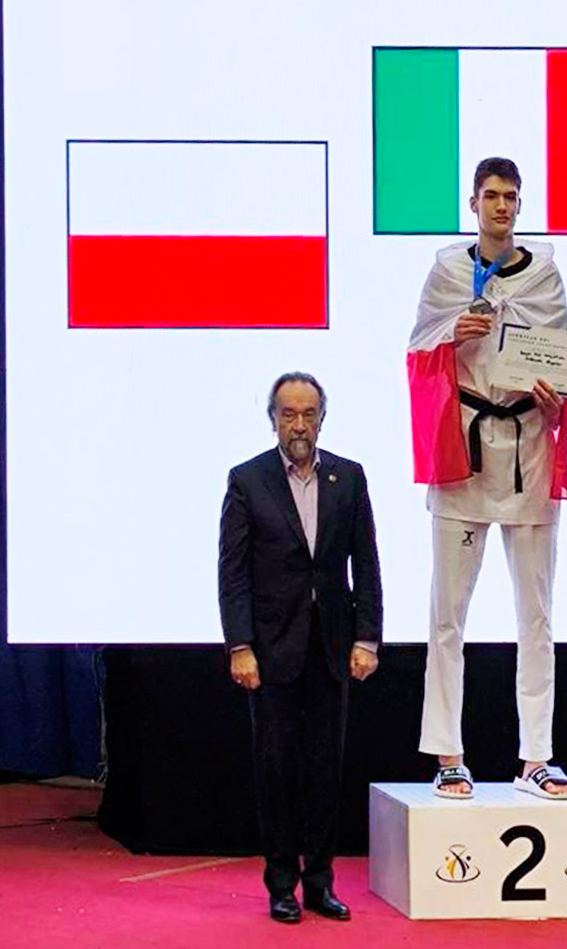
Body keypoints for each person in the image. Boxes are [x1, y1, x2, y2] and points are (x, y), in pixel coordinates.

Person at [406, 157, 567, 801]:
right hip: (465, 448)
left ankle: (536, 756)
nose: (501, 206)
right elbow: (419, 346)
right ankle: (449, 753)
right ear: (473, 203)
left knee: (537, 614)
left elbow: (562, 361)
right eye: (491, 196)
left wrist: (556, 397)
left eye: (511, 197)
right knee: (448, 614)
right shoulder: (449, 272)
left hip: (528, 446)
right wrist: (454, 331)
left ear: (520, 205)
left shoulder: (545, 274)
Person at [218, 372, 383, 923]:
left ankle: (320, 882)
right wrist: (240, 645)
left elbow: (367, 563)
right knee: (277, 769)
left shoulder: (349, 477)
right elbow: (233, 574)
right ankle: (281, 883)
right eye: (288, 414)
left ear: (322, 419)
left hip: (332, 649)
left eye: (309, 414)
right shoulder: (248, 480)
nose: (299, 425)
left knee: (325, 770)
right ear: (273, 420)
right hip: (271, 652)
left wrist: (367, 637)